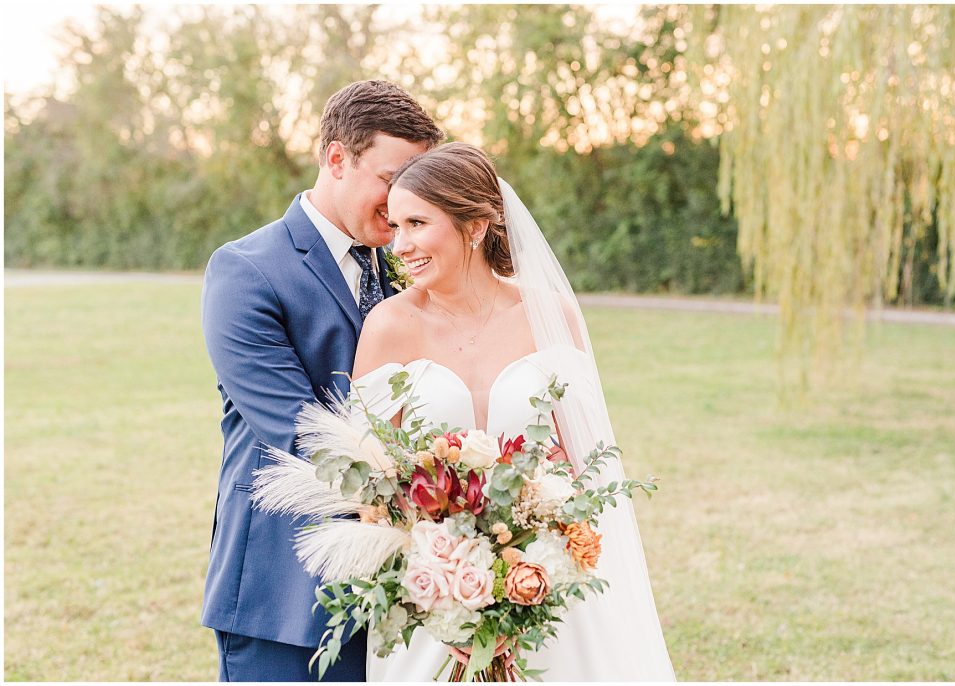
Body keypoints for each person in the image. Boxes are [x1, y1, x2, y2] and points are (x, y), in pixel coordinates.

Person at [352, 142, 676, 681]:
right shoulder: (388, 327)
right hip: (431, 596)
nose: (399, 244)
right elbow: (370, 486)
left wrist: (534, 572)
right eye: (395, 225)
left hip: (550, 585)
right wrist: (445, 595)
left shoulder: (549, 314)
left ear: (475, 225)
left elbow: (584, 461)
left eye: (416, 223)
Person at [200, 80, 444, 681]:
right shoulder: (247, 271)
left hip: (407, 586)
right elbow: (300, 430)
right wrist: (438, 496)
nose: (404, 200)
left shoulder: (408, 270)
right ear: (336, 158)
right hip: (284, 595)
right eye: (392, 178)